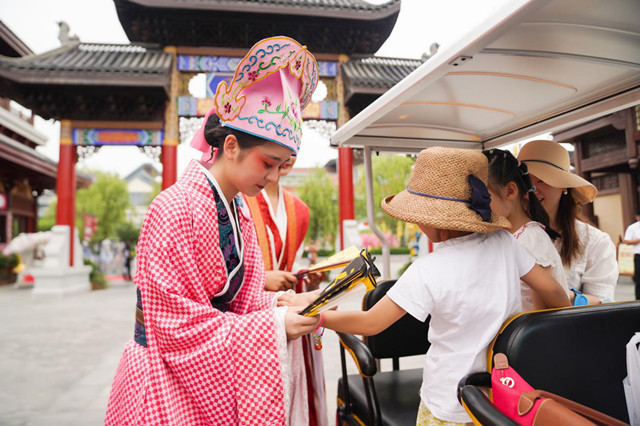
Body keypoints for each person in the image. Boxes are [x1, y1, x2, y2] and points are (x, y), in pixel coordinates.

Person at [105, 36, 321, 425]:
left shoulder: (238, 209)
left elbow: (246, 302)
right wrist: (273, 327)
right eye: (268, 163)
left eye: (282, 166)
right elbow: (174, 326)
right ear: (232, 145)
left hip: (202, 381)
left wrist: (279, 306)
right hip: (161, 381)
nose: (273, 176)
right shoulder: (172, 208)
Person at [317, 147, 571, 425]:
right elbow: (553, 291)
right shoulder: (505, 243)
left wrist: (319, 317)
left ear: (432, 219)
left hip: (447, 402)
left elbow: (370, 324)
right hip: (498, 398)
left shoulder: (427, 270)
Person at [244, 154, 328, 425]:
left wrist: (310, 281)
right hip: (250, 318)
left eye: (295, 148)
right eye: (282, 148)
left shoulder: (300, 209)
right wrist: (261, 277)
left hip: (289, 316)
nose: (289, 156)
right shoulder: (239, 200)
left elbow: (295, 265)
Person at [518, 140, 618, 304]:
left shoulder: (594, 242)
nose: (532, 190)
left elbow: (603, 302)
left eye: (542, 180)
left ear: (564, 186)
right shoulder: (503, 235)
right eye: (525, 182)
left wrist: (567, 295)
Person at [483, 148, 569, 311]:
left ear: (510, 191)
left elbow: (546, 302)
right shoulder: (507, 236)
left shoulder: (531, 238)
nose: (478, 207)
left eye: (484, 198)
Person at [622, 209, 640, 299]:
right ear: (637, 217)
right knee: (639, 280)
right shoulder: (632, 228)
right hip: (638, 256)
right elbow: (627, 241)